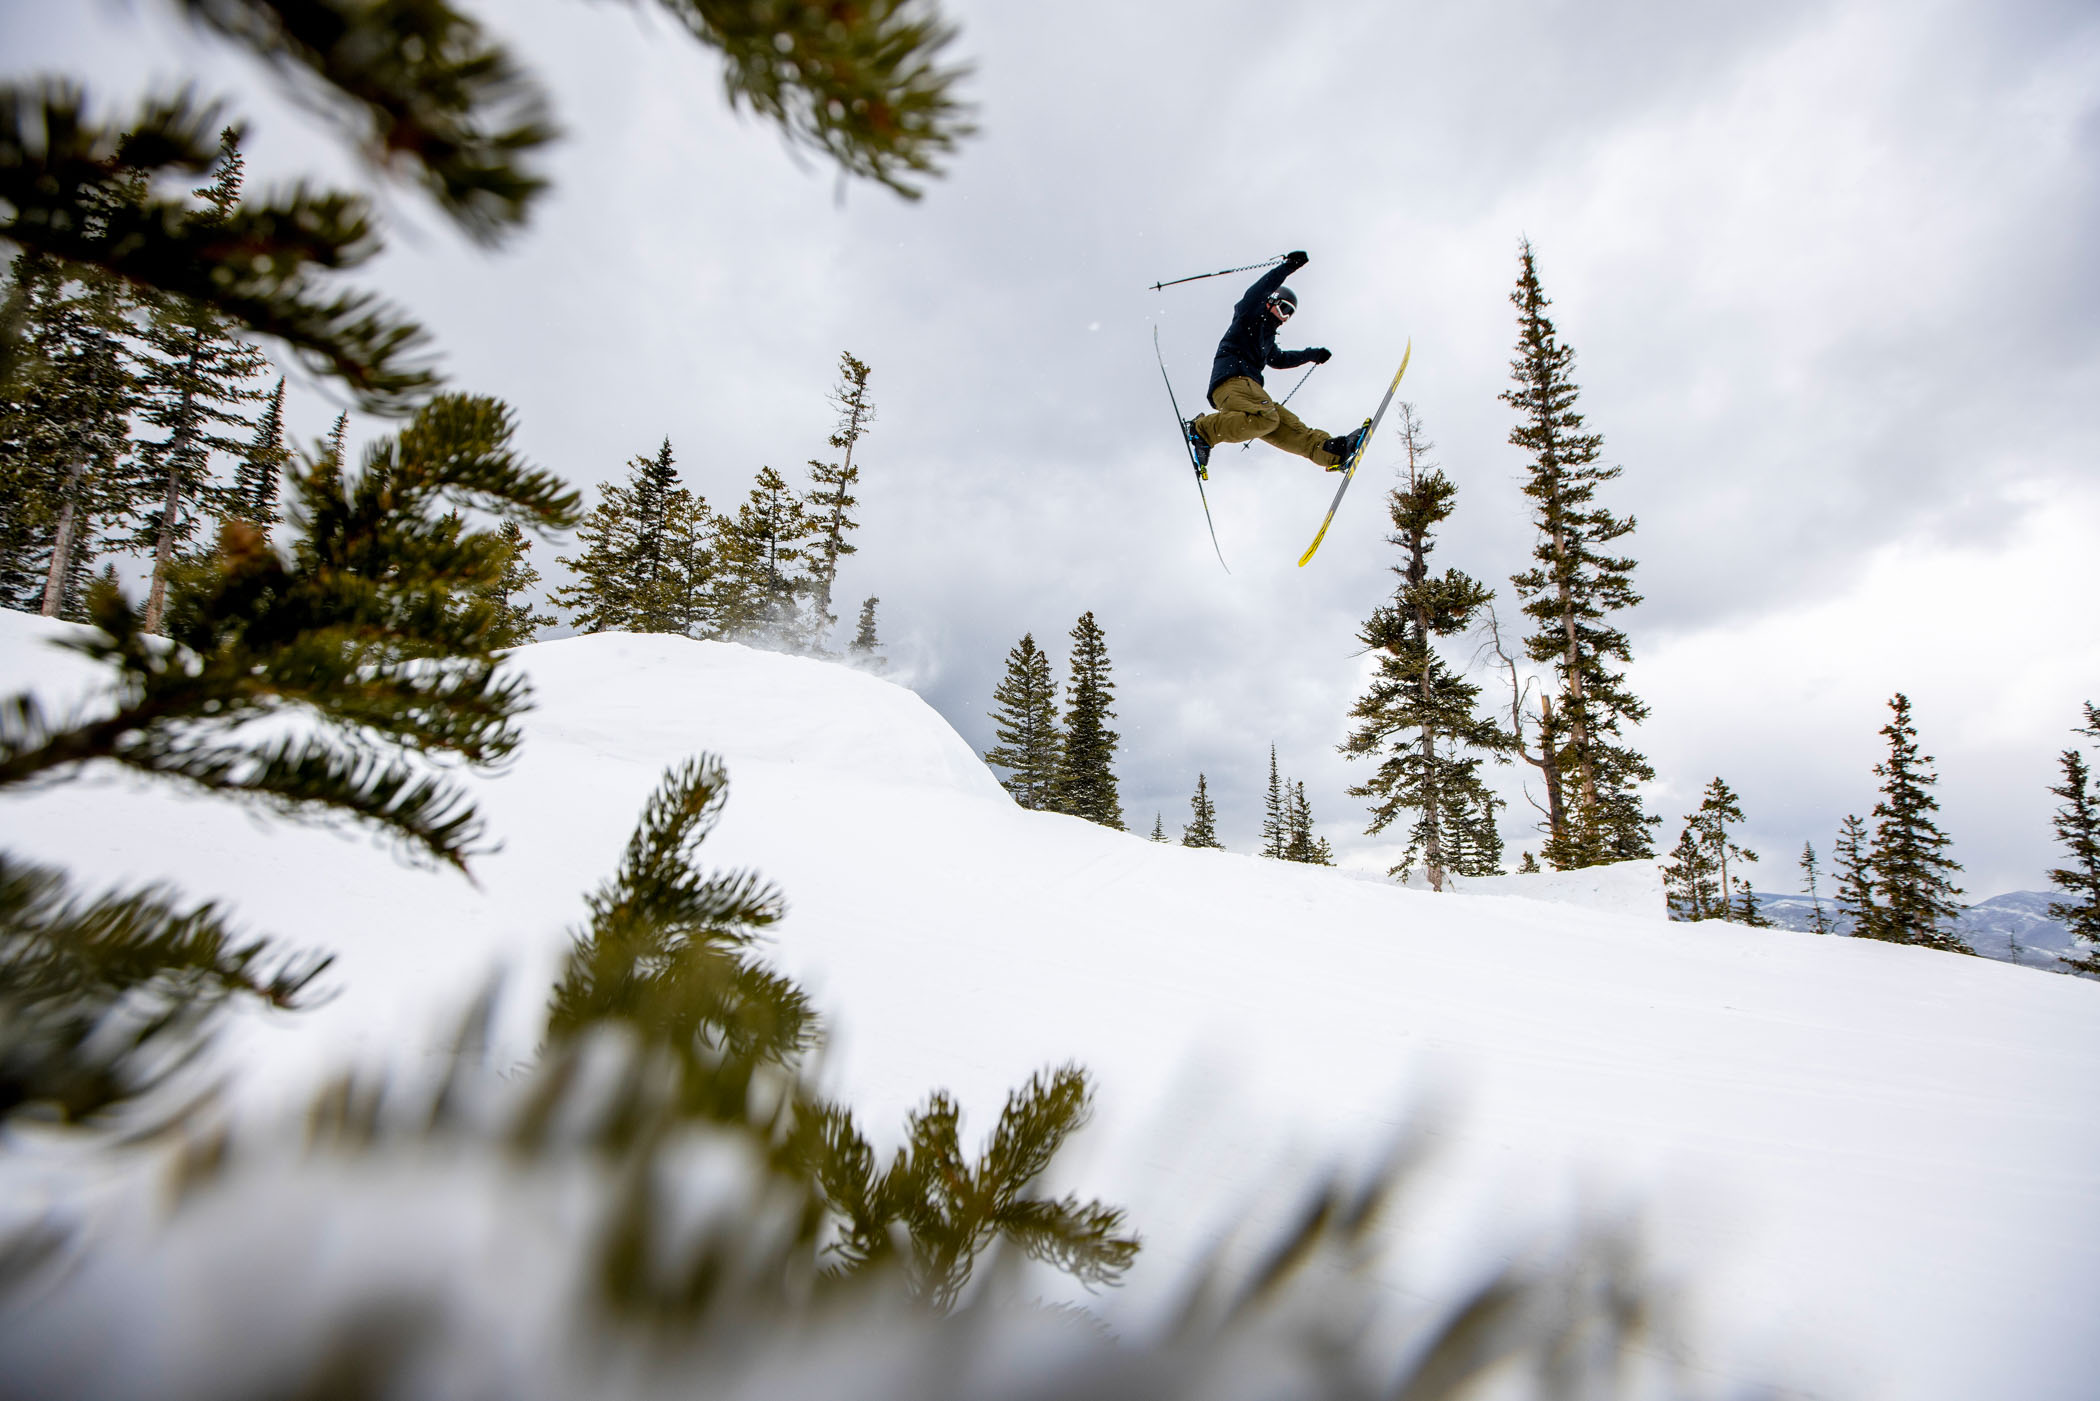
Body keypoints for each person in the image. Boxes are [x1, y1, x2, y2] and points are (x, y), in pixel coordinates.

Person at [1184, 250, 1366, 476]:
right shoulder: (1249, 316)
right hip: (1231, 382)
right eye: (1283, 308)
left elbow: (1279, 360)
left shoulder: (1267, 339)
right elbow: (1256, 292)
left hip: (1250, 393)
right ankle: (1202, 430)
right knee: (1267, 417)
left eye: (1289, 314)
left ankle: (1332, 452)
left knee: (1285, 424)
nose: (1283, 317)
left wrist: (1313, 354)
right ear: (1271, 301)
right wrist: (1288, 267)